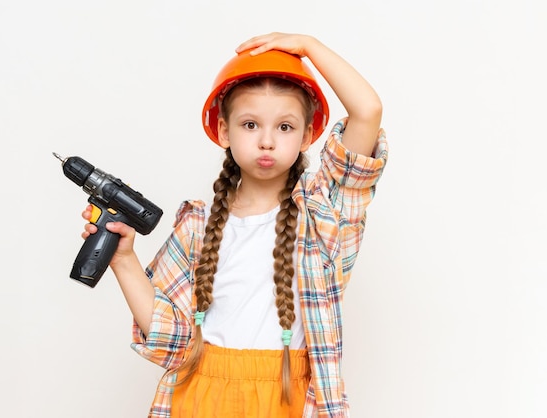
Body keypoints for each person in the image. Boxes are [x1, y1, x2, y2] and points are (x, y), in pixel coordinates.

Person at [81, 32, 388, 418]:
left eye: (285, 127)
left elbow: (368, 111)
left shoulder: (323, 214)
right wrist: (123, 259)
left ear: (309, 135)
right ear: (224, 131)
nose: (266, 141)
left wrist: (308, 46)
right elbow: (169, 342)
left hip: (288, 398)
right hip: (200, 395)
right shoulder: (197, 224)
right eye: (249, 125)